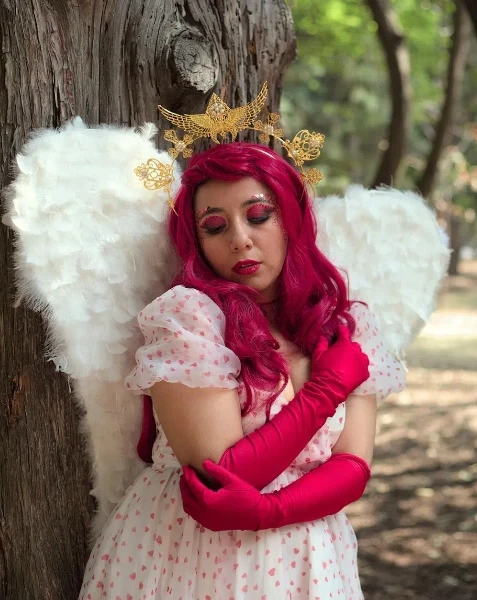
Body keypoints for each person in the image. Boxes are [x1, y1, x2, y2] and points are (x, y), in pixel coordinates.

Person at [78, 141, 405, 600]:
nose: (239, 239)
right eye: (215, 226)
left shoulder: (342, 325)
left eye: (258, 215)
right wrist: (328, 387)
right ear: (197, 241)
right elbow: (224, 473)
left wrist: (268, 512)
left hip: (310, 554)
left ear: (291, 217)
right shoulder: (189, 320)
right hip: (196, 554)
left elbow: (353, 466)